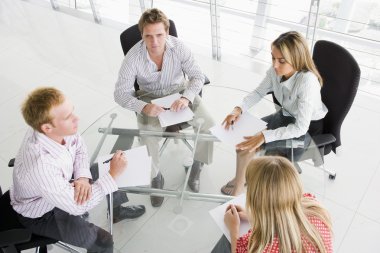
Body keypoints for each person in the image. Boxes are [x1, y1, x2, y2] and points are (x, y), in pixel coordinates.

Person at [10, 87, 145, 253]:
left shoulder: (55, 129)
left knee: (104, 169)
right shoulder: (41, 167)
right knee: (103, 241)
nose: (77, 118)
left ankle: (117, 211)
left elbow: (79, 146)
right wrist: (112, 175)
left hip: (62, 182)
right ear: (46, 128)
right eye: (68, 117)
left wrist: (82, 176)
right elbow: (76, 206)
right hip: (44, 214)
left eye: (72, 111)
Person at [114, 8, 214, 207]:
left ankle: (197, 164)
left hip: (179, 92)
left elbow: (198, 76)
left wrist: (186, 98)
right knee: (148, 137)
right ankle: (156, 177)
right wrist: (143, 107)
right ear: (142, 35)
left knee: (208, 126)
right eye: (148, 36)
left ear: (167, 32)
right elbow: (120, 94)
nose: (154, 42)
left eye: (159, 35)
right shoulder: (133, 58)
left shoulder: (179, 47)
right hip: (149, 98)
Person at [221, 31, 327, 196]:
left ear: (296, 59)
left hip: (306, 129)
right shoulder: (275, 71)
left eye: (281, 61)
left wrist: (264, 136)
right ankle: (240, 180)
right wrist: (238, 109)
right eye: (273, 58)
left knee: (262, 156)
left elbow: (300, 127)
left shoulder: (307, 82)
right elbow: (258, 93)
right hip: (285, 116)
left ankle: (238, 190)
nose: (275, 65)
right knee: (242, 144)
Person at [212, 156, 333, 253]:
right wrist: (253, 217)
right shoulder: (314, 207)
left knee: (226, 240)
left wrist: (233, 229)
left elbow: (238, 250)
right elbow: (283, 214)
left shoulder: (260, 247)